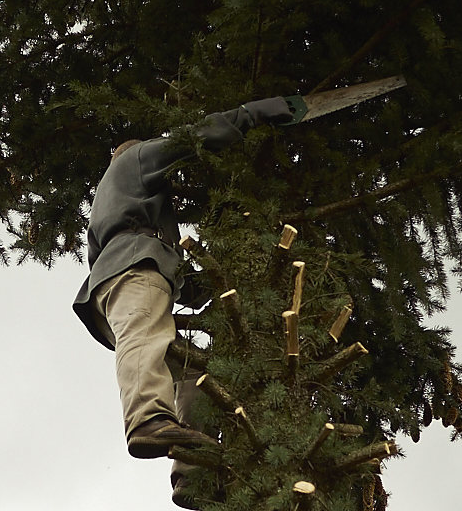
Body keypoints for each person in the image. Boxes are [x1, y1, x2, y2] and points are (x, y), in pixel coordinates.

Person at [73, 95, 302, 459]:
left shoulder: (112, 208)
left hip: (113, 289)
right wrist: (252, 114)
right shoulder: (132, 161)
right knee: (146, 336)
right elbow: (188, 140)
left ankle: (192, 466)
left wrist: (208, 281)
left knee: (192, 374)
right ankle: (148, 420)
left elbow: (120, 263)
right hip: (133, 274)